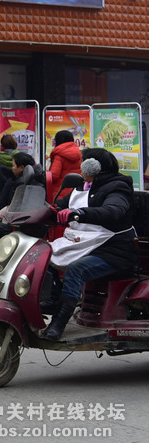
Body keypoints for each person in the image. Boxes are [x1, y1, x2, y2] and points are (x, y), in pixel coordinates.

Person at [43, 149, 137, 341]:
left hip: (114, 251)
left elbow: (113, 211)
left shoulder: (117, 188)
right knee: (44, 255)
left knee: (76, 270)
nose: (81, 166)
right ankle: (53, 301)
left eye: (84, 162)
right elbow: (59, 206)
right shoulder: (84, 187)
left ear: (94, 167)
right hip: (86, 245)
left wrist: (80, 213)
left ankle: (58, 323)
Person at [46, 129, 82, 198]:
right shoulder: (79, 154)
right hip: (75, 192)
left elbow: (54, 176)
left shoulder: (59, 155)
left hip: (60, 192)